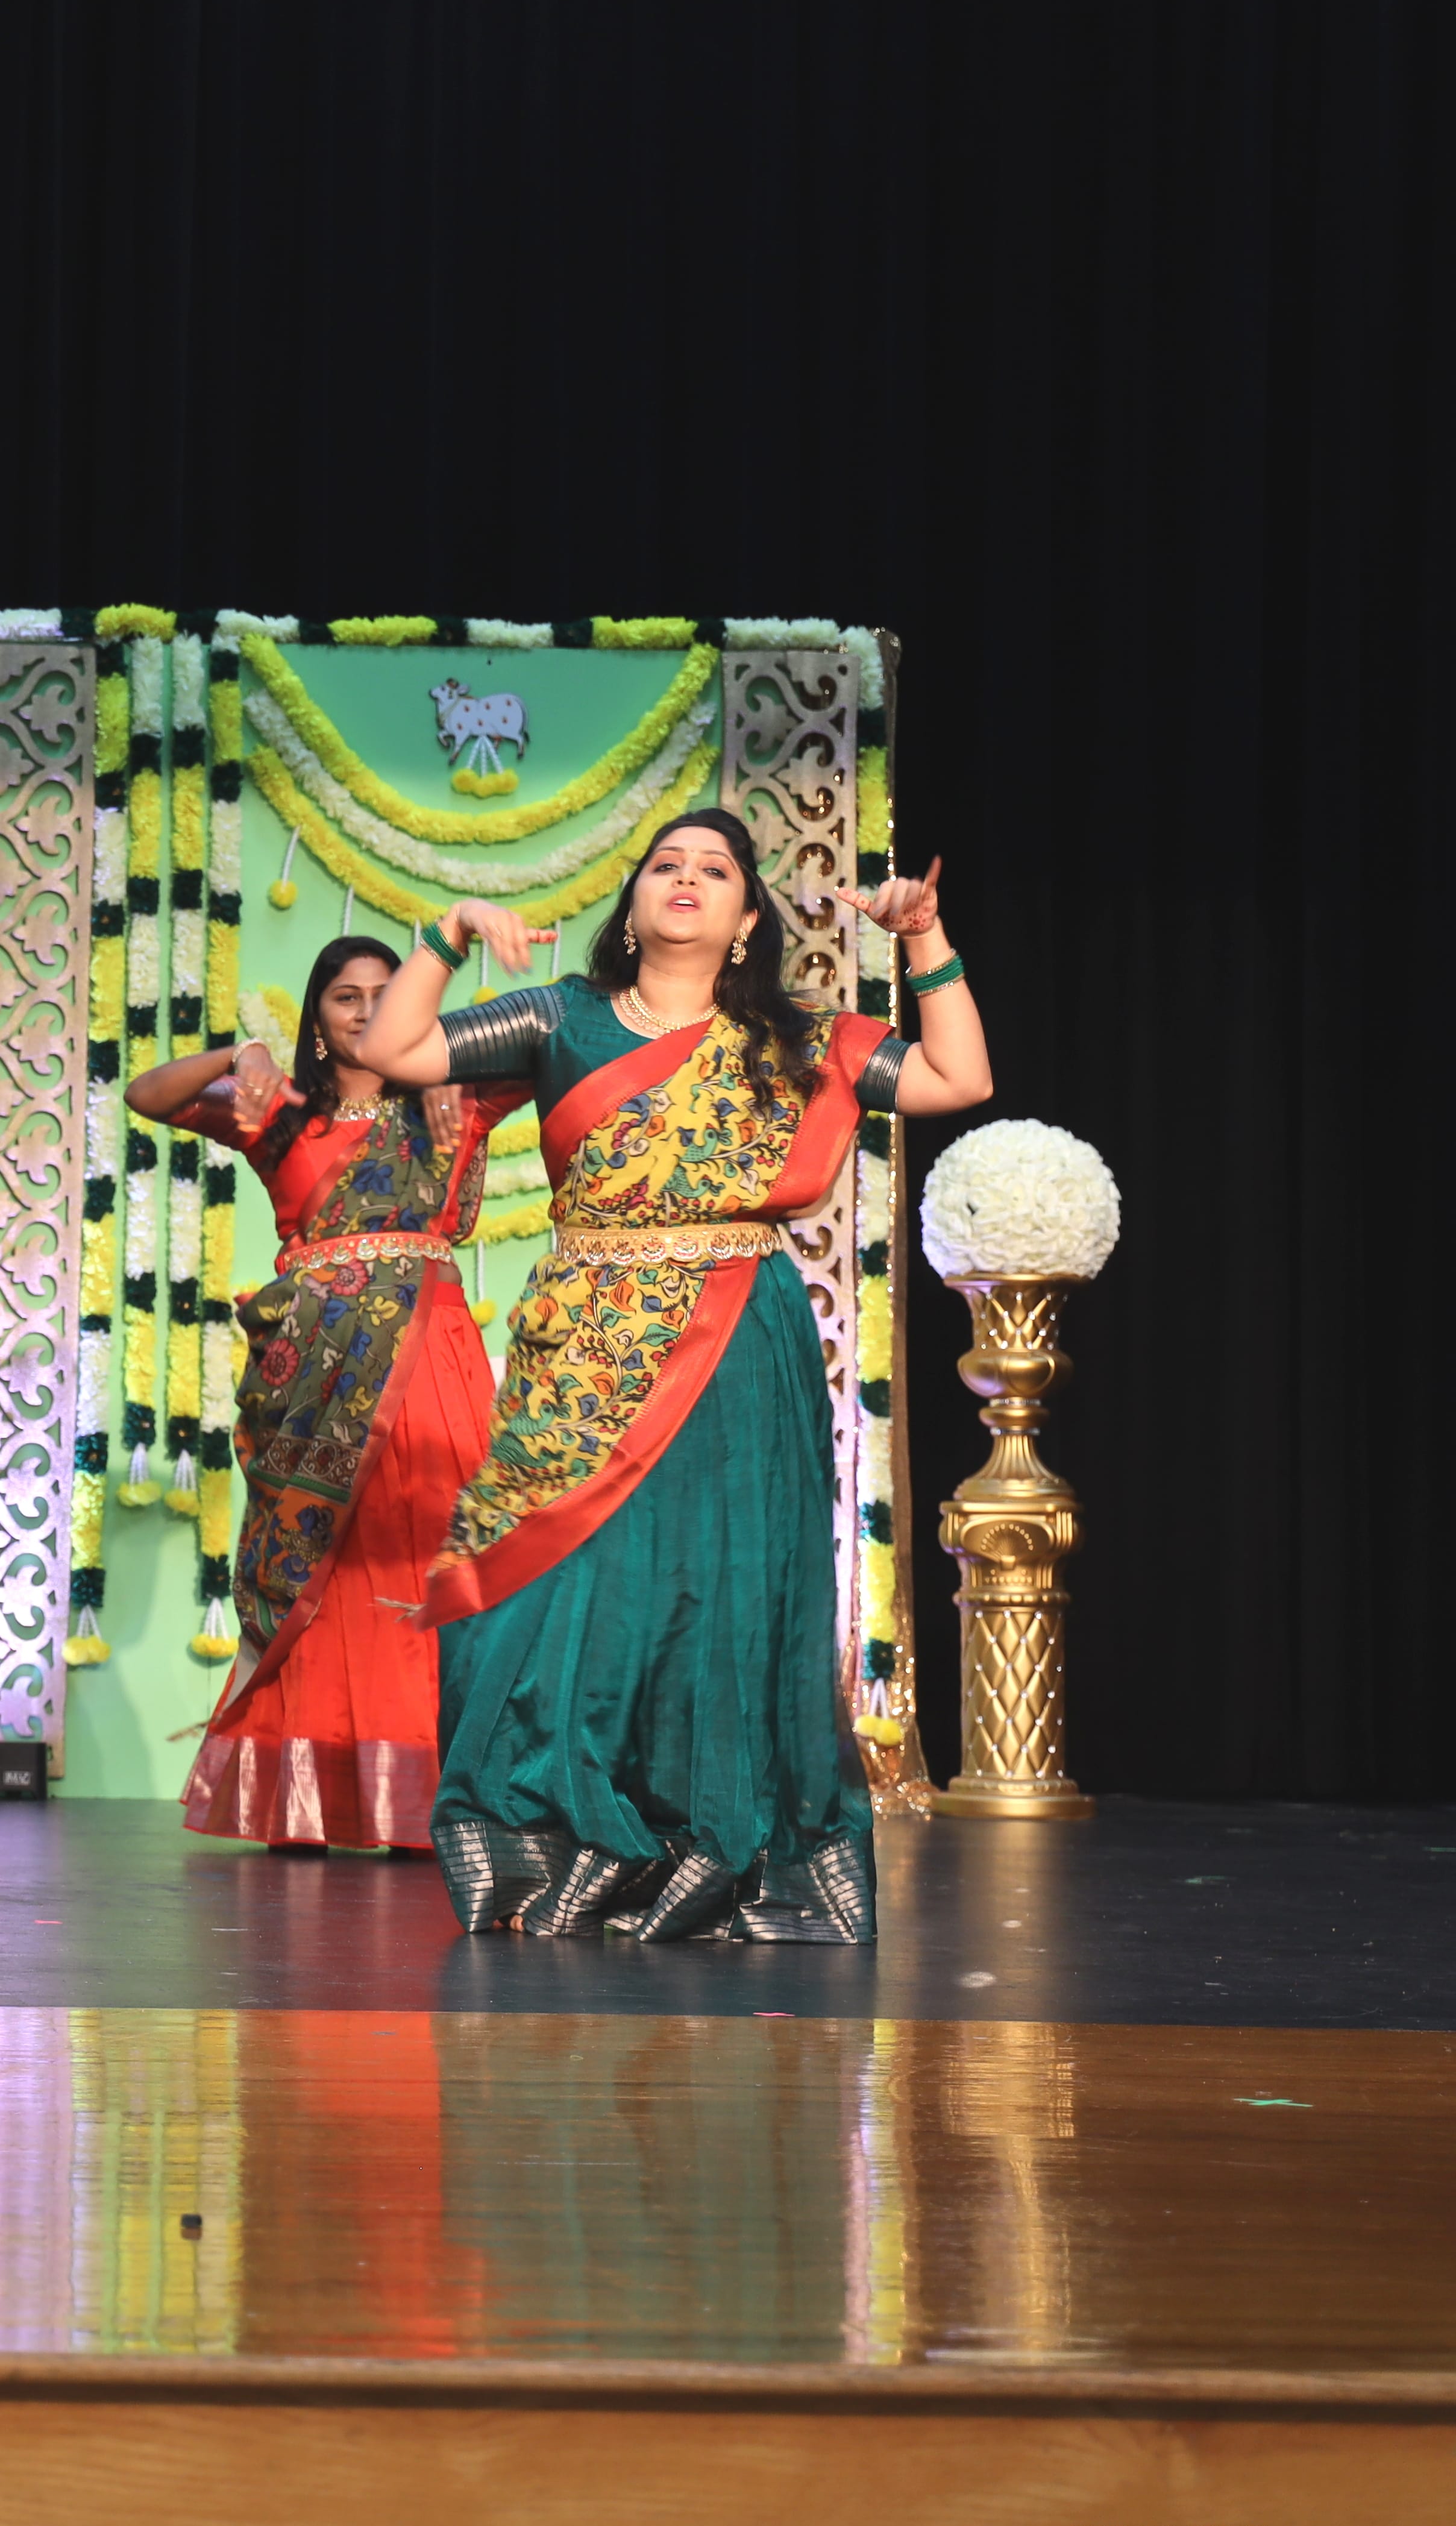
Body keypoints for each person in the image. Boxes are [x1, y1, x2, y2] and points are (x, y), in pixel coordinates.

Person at [357, 808, 991, 1942]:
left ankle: (718, 1848)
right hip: (583, 1345)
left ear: (748, 919)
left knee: (719, 1591)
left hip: (736, 1336)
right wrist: (448, 933)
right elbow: (396, 1053)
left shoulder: (804, 1041)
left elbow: (959, 1078)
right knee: (541, 1588)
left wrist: (925, 940)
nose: (686, 880)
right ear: (633, 903)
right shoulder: (561, 1017)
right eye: (665, 865)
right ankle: (558, 1836)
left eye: (715, 871)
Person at [127, 932, 522, 1853]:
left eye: (386, 993)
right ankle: (301, 1800)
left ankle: (432, 1803)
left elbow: (556, 1046)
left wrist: (445, 1046)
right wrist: (239, 1054)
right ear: (316, 1019)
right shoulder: (280, 1112)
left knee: (429, 1568)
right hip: (312, 1380)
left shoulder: (453, 1103)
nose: (368, 1010)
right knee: (319, 1574)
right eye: (347, 996)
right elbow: (148, 1095)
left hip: (431, 1365)